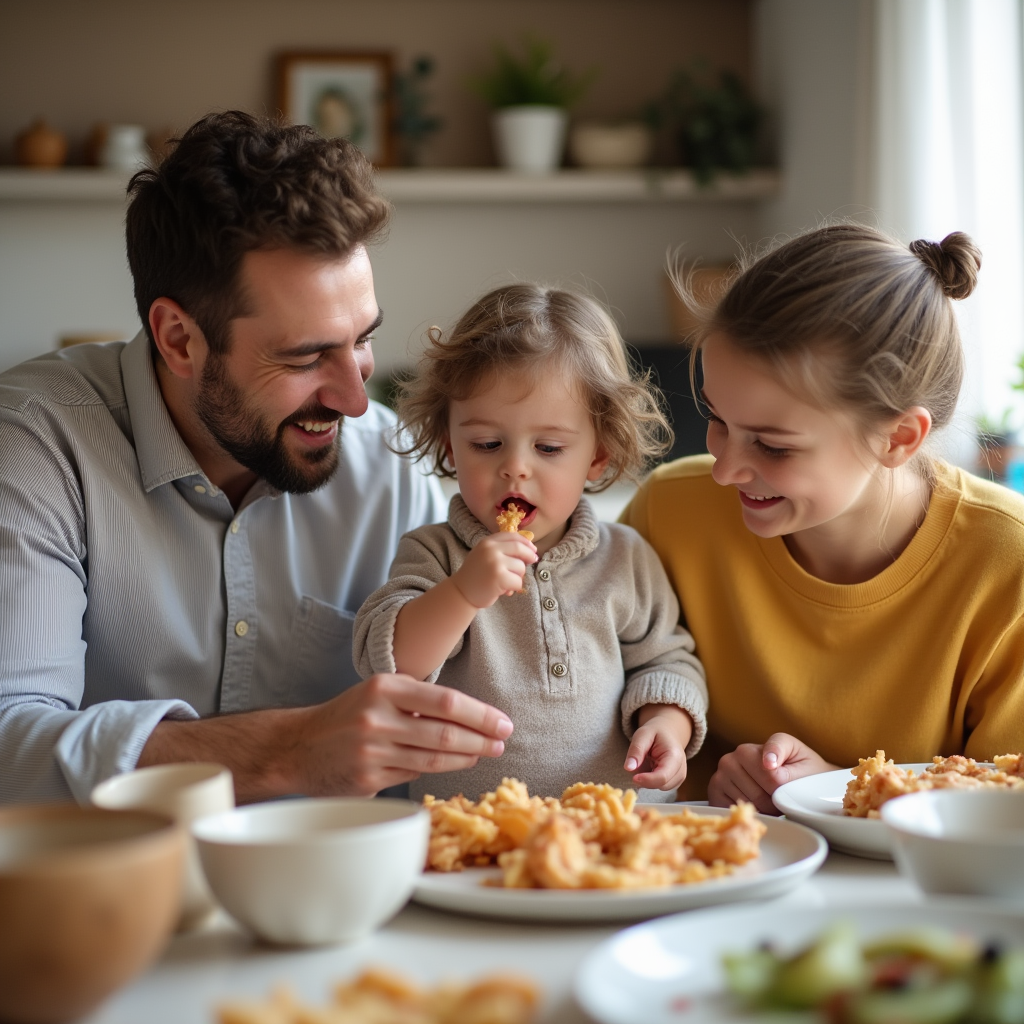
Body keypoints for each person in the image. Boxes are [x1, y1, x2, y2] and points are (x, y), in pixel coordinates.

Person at [0, 111, 515, 806]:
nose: (357, 401)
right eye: (305, 357)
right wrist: (285, 752)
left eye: (362, 339)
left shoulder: (391, 467)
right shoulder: (34, 445)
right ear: (178, 338)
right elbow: (10, 747)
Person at [621, 224, 1024, 813]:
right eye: (717, 419)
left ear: (898, 438)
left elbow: (1004, 817)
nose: (724, 468)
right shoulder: (667, 511)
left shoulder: (1006, 563)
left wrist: (840, 794)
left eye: (773, 446)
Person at [353, 284, 708, 801]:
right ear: (451, 446)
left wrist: (667, 725)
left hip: (616, 832)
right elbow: (391, 663)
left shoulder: (626, 557)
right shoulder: (435, 553)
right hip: (471, 834)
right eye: (487, 444)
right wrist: (463, 592)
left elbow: (667, 661)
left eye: (549, 447)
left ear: (598, 455)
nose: (514, 467)